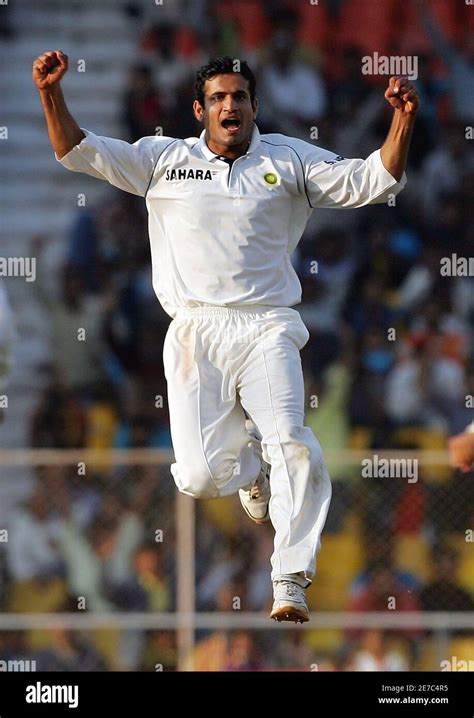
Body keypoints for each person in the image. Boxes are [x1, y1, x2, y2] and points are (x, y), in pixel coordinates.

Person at [33, 50, 418, 622]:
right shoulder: (163, 159)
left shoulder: (288, 158)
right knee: (197, 476)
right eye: (217, 97)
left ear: (254, 106)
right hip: (194, 332)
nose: (229, 105)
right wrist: (50, 94)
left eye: (239, 95)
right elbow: (76, 149)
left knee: (290, 436)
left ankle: (290, 577)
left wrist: (403, 120)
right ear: (199, 108)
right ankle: (251, 472)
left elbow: (372, 179)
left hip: (267, 326)